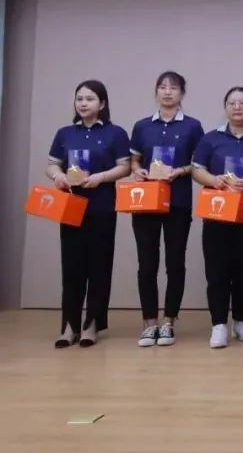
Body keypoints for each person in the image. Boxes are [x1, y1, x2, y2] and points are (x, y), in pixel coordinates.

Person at [45, 80, 131, 348]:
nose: (83, 103)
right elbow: (51, 165)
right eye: (79, 99)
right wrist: (58, 177)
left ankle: (91, 324)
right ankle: (69, 326)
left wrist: (100, 177)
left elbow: (125, 167)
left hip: (101, 206)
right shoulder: (65, 133)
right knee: (71, 267)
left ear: (102, 104)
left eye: (90, 99)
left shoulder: (116, 133)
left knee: (99, 266)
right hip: (71, 205)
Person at [128, 71, 204, 347]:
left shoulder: (193, 126)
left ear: (182, 93)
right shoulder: (142, 126)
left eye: (173, 88)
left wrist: (179, 171)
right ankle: (149, 323)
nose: (168, 92)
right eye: (162, 87)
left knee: (175, 263)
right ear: (156, 91)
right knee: (146, 264)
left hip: (178, 202)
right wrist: (138, 170)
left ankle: (169, 321)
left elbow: (199, 165)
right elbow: (134, 160)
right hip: (146, 202)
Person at [191, 86, 243, 349]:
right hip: (218, 214)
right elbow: (196, 169)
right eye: (232, 103)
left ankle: (241, 321)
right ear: (225, 107)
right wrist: (214, 180)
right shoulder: (211, 138)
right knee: (217, 270)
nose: (237, 107)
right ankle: (219, 324)